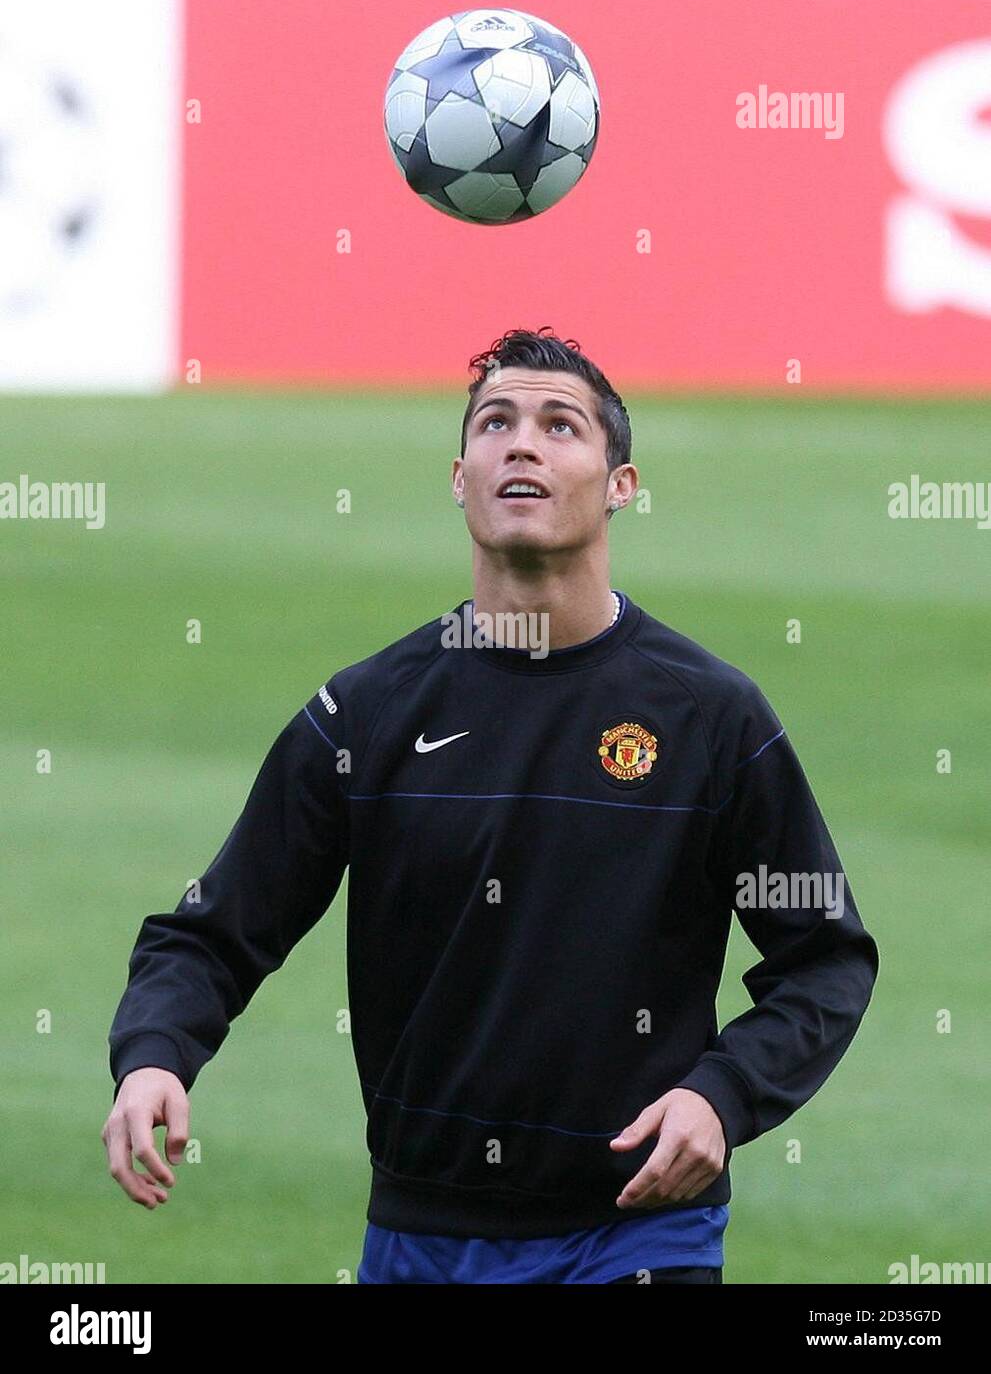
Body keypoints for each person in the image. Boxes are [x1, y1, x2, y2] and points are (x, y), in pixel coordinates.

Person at [104, 327, 879, 1284]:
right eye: (496, 423)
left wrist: (723, 1096)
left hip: (637, 1233)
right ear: (459, 478)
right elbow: (214, 933)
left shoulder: (710, 718)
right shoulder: (368, 712)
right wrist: (153, 1057)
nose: (522, 444)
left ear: (621, 485)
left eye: (561, 426)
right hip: (419, 1236)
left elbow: (824, 956)